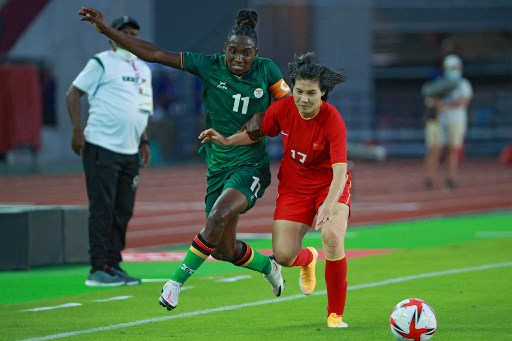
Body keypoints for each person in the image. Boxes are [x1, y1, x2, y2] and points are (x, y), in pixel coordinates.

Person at [78, 7, 291, 308]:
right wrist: (107, 31)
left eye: (247, 53)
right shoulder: (209, 65)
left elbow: (289, 104)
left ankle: (175, 283)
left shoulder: (267, 70)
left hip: (250, 166)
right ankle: (268, 267)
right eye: (233, 52)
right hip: (218, 166)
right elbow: (154, 54)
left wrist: (265, 114)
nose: (240, 59)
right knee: (223, 250)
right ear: (224, 50)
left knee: (218, 215)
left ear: (256, 53)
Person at [199, 52, 352, 328]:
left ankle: (335, 314)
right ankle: (309, 258)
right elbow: (257, 132)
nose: (303, 99)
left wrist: (329, 205)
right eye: (298, 91)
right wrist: (227, 140)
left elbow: (340, 170)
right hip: (294, 189)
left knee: (331, 237)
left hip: (329, 188)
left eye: (311, 93)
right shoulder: (282, 110)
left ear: (323, 93)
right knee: (283, 256)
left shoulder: (332, 120)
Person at [66, 16, 152, 287]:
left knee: (122, 210)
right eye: (124, 32)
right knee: (103, 209)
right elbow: (73, 93)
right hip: (101, 145)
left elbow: (141, 106)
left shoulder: (143, 68)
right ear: (111, 36)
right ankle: (97, 269)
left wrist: (144, 141)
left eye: (134, 32)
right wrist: (77, 130)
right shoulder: (101, 62)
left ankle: (113, 265)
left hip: (129, 150)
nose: (131, 36)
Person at [423, 54, 473, 190]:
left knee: (452, 150)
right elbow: (429, 97)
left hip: (456, 121)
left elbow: (463, 101)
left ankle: (450, 178)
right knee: (435, 149)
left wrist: (446, 104)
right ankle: (429, 178)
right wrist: (436, 104)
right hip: (440, 121)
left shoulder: (464, 84)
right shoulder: (440, 83)